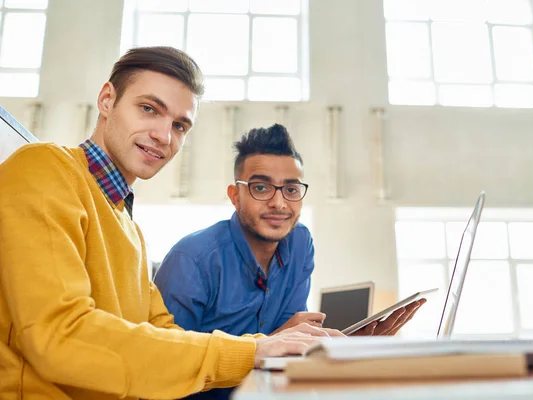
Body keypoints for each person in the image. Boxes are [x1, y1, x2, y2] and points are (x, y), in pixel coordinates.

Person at [0, 46, 339, 400]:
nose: (164, 136)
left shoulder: (129, 228)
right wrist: (254, 351)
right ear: (106, 100)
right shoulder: (43, 169)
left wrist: (271, 345)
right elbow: (60, 336)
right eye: (149, 109)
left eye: (179, 125)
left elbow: (163, 333)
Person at [154, 123, 425, 399]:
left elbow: (288, 348)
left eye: (291, 190)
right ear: (235, 196)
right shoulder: (191, 260)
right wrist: (273, 343)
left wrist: (342, 348)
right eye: (261, 188)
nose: (279, 204)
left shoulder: (299, 243)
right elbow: (168, 369)